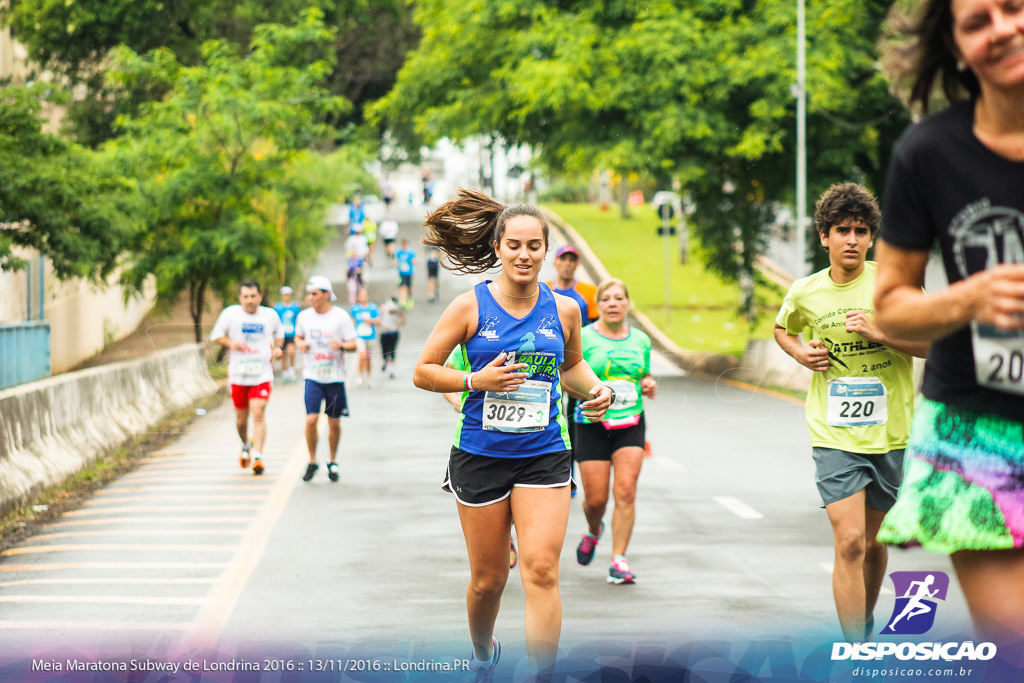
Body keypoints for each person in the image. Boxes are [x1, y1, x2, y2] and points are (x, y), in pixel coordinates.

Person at [412, 187, 614, 676]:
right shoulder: (469, 307)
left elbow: (572, 367)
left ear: (546, 251)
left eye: (534, 246)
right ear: (498, 248)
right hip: (479, 454)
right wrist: (473, 380)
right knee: (488, 580)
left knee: (541, 571)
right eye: (515, 245)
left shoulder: (564, 309)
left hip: (544, 452)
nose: (525, 255)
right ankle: (483, 654)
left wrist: (595, 390)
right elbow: (423, 371)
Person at [872, 0, 1024, 645]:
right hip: (975, 432)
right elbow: (891, 305)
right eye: (977, 22)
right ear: (958, 50)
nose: (1002, 29)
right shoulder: (929, 152)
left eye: (1014, 8)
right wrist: (970, 298)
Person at [774, 183, 930, 642]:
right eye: (842, 230)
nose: (851, 240)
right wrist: (801, 354)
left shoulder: (893, 286)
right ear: (824, 236)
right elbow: (784, 329)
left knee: (874, 541)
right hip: (833, 432)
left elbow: (929, 345)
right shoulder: (806, 292)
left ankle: (863, 620)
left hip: (891, 430)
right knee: (850, 540)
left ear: (870, 237)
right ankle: (855, 646)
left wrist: (882, 334)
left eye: (861, 231)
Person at [573, 278, 657, 585]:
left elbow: (643, 374)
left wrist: (648, 383)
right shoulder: (582, 337)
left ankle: (618, 559)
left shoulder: (641, 340)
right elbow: (569, 375)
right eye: (606, 298)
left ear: (627, 304)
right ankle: (595, 529)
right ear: (599, 305)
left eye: (619, 298)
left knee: (626, 491)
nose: (612, 303)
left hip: (630, 422)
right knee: (596, 501)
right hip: (591, 422)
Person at [210, 280, 284, 476]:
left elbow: (279, 335)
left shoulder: (270, 315)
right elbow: (216, 335)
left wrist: (277, 348)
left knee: (258, 410)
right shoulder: (230, 313)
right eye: (246, 297)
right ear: (240, 298)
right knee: (242, 420)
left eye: (253, 296)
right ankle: (245, 445)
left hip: (262, 374)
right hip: (238, 375)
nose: (250, 301)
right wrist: (231, 343)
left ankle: (258, 457)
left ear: (260, 296)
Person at [545, 245, 599, 495]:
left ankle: (571, 473)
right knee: (553, 415)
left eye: (572, 260)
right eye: (563, 259)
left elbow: (597, 329)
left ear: (577, 265)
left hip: (578, 363)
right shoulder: (544, 289)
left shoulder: (588, 292)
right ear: (555, 263)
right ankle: (556, 469)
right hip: (549, 367)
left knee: (574, 415)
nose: (567, 264)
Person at [294, 276, 358, 482]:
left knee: (334, 422)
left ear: (326, 295)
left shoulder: (340, 317)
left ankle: (332, 461)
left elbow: (354, 344)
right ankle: (312, 461)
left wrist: (341, 345)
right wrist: (300, 344)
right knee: (311, 419)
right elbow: (298, 336)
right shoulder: (304, 317)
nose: (310, 298)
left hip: (334, 378)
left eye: (314, 294)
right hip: (312, 376)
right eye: (309, 294)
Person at [350, 288, 381, 386]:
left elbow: (379, 320)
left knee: (368, 357)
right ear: (358, 297)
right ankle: (360, 375)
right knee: (362, 355)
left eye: (365, 295)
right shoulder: (354, 308)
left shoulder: (373, 307)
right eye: (362, 295)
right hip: (359, 336)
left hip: (370, 336)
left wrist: (371, 320)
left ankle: (368, 376)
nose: (364, 297)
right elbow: (351, 320)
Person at [274, 286, 302, 383]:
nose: (286, 297)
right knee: (283, 354)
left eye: (288, 295)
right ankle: (285, 371)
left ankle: (291, 370)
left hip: (292, 334)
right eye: (285, 295)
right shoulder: (278, 307)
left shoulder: (295, 306)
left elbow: (299, 318)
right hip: (282, 335)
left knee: (291, 351)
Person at [379, 296, 406, 379]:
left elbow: (403, 320)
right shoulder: (383, 308)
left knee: (392, 351)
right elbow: (377, 318)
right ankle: (385, 360)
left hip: (394, 332)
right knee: (384, 351)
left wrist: (398, 323)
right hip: (384, 333)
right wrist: (382, 324)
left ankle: (391, 370)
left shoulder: (398, 309)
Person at [345, 229, 370, 305]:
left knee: (360, 289)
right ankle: (352, 302)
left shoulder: (360, 260)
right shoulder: (349, 261)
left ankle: (360, 300)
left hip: (359, 277)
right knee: (352, 290)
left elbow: (364, 268)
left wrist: (360, 270)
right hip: (352, 276)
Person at [396, 238, 417, 309]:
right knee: (403, 287)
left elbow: (416, 260)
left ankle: (410, 299)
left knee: (409, 288)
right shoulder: (399, 252)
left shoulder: (411, 252)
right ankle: (402, 301)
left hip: (409, 273)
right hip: (402, 273)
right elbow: (395, 260)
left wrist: (413, 261)